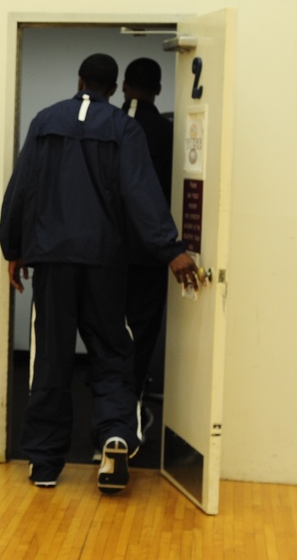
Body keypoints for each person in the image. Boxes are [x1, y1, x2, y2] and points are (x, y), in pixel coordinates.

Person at [0, 53, 197, 494]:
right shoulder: (124, 129)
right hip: (106, 263)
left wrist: (13, 248)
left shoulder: (45, 121)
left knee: (50, 358)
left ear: (81, 80)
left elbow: (22, 186)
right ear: (114, 87)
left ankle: (46, 464)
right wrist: (171, 250)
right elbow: (141, 195)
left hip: (51, 261)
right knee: (112, 352)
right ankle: (114, 435)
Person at [120, 58, 174, 421]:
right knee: (140, 335)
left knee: (105, 332)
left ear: (123, 86)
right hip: (150, 252)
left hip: (104, 253)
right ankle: (128, 411)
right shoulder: (168, 132)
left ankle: (102, 412)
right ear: (158, 88)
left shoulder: (106, 125)